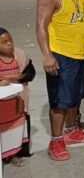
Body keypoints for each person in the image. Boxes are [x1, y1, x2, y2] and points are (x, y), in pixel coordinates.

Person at [36, 0, 84, 161]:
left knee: (75, 96)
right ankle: (56, 141)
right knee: (60, 101)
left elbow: (77, 21)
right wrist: (47, 56)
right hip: (60, 55)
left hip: (78, 53)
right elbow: (41, 26)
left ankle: (72, 131)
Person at [0, 28, 34, 167]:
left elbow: (30, 74)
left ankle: (13, 154)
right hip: (2, 104)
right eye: (4, 42)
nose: (10, 44)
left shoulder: (19, 55)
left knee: (15, 129)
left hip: (16, 102)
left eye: (10, 41)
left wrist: (19, 78)